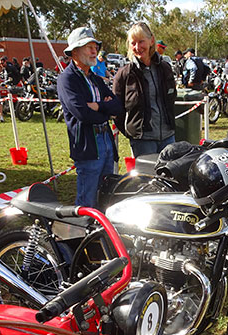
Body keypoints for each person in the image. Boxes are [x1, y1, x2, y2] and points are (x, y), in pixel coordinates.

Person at [57, 26, 122, 207]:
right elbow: (83, 114)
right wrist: (106, 110)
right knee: (87, 201)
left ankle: (99, 235)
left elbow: (117, 106)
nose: (94, 51)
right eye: (89, 47)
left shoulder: (94, 78)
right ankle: (83, 234)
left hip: (106, 142)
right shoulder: (67, 80)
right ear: (75, 52)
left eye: (95, 47)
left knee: (105, 196)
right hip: (88, 146)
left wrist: (99, 106)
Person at [113, 21, 176, 157]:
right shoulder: (124, 74)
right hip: (142, 141)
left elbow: (171, 98)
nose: (137, 47)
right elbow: (116, 110)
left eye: (141, 41)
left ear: (151, 40)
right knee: (147, 178)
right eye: (133, 43)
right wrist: (132, 133)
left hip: (168, 137)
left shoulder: (165, 68)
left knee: (169, 177)